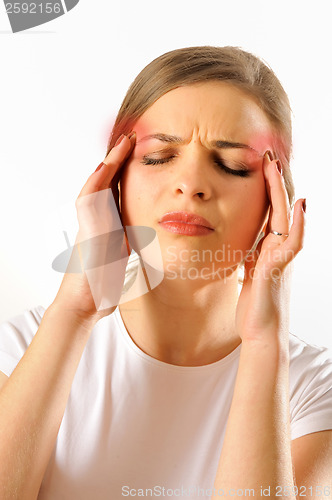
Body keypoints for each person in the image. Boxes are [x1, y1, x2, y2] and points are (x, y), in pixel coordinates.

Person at [0, 46, 331, 499]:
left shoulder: (313, 390)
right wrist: (75, 310)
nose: (190, 184)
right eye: (159, 157)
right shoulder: (19, 348)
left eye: (231, 165)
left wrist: (264, 343)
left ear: (274, 199)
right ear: (115, 181)